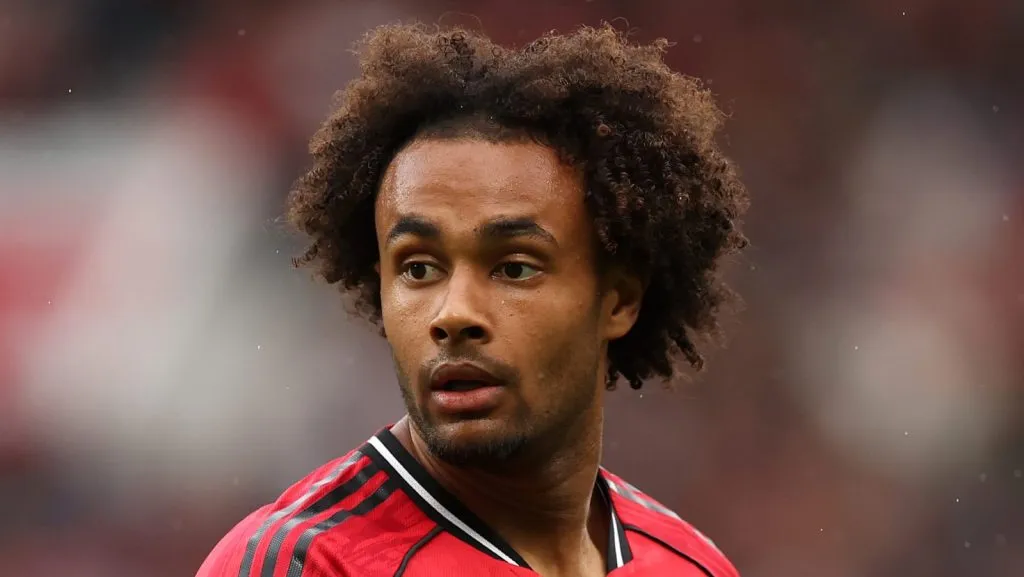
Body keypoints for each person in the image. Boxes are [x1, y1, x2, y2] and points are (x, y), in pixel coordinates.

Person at [197, 22, 748, 577]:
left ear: (619, 301)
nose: (453, 313)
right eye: (418, 268)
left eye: (513, 267)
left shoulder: (693, 565)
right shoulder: (307, 564)